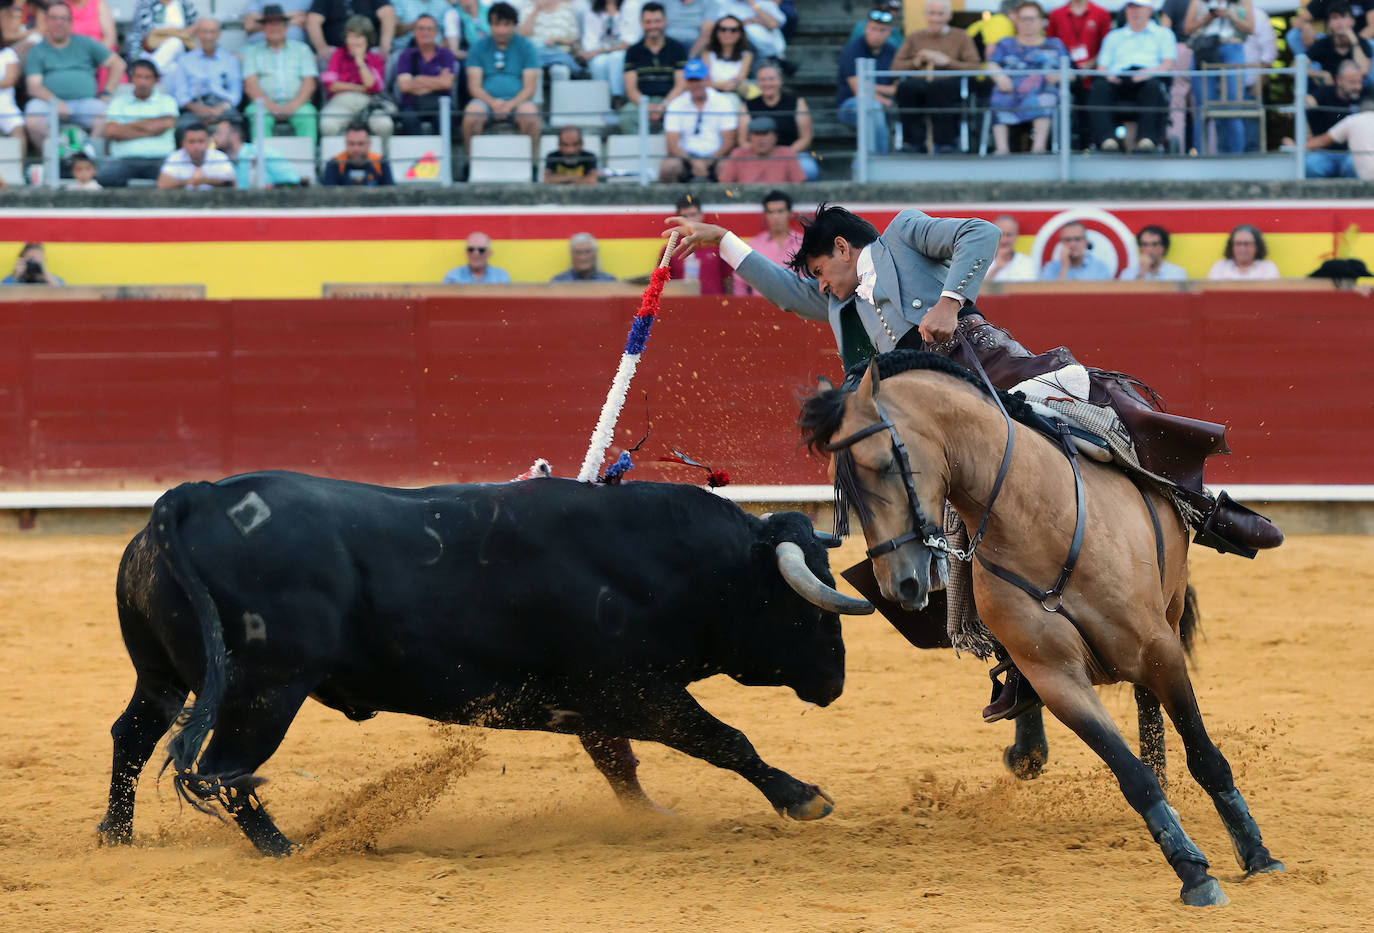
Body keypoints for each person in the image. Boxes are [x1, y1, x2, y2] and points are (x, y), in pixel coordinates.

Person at [664, 202, 1284, 721]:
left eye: (822, 269)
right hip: (937, 424)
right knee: (954, 540)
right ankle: (1016, 659)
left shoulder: (905, 232)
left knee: (1093, 407)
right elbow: (786, 294)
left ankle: (1202, 510)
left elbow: (979, 233)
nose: (820, 285)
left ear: (846, 248)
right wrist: (722, 242)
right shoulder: (838, 303)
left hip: (987, 370)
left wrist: (950, 301)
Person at [22, 1, 125, 154]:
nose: (59, 23)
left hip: (85, 103)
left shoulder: (86, 43)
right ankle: (55, 158)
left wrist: (107, 93)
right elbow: (34, 86)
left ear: (71, 22)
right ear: (46, 21)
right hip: (48, 103)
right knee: (32, 118)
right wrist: (54, 102)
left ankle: (89, 158)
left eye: (63, 18)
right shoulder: (37, 51)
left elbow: (118, 64)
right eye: (54, 18)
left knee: (107, 117)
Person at [891, 0, 981, 154]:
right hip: (919, 83)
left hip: (948, 84)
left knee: (939, 89)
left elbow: (974, 66)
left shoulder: (961, 37)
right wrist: (917, 61)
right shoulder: (914, 37)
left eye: (940, 14)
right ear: (925, 15)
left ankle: (947, 143)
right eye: (932, 13)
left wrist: (947, 62)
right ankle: (912, 143)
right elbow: (895, 67)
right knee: (906, 89)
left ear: (949, 15)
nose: (936, 18)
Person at [1088, 0, 1175, 153]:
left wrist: (1148, 73)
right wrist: (1109, 77)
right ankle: (1107, 140)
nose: (1134, 11)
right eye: (1131, 7)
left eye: (1139, 7)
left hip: (1148, 79)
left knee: (1154, 87)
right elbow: (1102, 67)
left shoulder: (1163, 34)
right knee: (1099, 88)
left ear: (1149, 10)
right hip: (1118, 80)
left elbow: (1168, 64)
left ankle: (1146, 140)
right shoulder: (1113, 36)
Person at [986, 1, 1068, 154]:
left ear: (1042, 21)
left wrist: (1059, 76)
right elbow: (991, 64)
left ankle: (1038, 148)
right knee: (998, 95)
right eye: (1023, 19)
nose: (1027, 23)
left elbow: (1070, 72)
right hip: (1010, 88)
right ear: (1016, 21)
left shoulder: (1055, 45)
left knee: (1045, 97)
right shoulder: (1005, 44)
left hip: (1042, 88)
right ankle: (1002, 149)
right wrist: (1000, 77)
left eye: (1032, 19)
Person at [462, 2, 541, 154]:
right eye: (496, 25)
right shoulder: (478, 47)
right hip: (485, 101)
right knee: (472, 114)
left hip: (518, 101)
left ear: (514, 25)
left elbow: (530, 87)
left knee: (530, 115)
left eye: (506, 25)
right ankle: (471, 164)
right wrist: (493, 103)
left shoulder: (527, 47)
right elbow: (474, 86)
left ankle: (531, 164)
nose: (501, 30)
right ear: (490, 25)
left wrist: (509, 105)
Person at [1183, 0, 1256, 155]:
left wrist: (1230, 15)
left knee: (1234, 106)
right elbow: (1187, 29)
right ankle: (1201, 156)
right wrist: (1207, 18)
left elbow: (1250, 28)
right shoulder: (1198, 2)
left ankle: (1237, 157)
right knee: (1203, 109)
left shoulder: (1243, 2)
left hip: (1232, 48)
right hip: (1206, 50)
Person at [97, 58, 179, 187]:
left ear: (156, 80)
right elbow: (111, 131)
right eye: (139, 77)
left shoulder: (167, 101)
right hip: (124, 159)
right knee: (105, 177)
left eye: (147, 77)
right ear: (132, 79)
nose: (142, 82)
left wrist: (126, 127)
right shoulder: (118, 102)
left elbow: (167, 124)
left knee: (176, 178)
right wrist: (152, 129)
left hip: (160, 159)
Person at [243, 5, 320, 139]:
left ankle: (308, 158)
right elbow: (251, 85)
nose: (274, 28)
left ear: (286, 27)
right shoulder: (252, 52)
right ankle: (262, 159)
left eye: (278, 23)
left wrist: (293, 106)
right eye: (270, 24)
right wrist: (271, 106)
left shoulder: (302, 49)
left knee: (307, 114)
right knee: (258, 115)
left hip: (297, 104)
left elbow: (309, 83)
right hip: (264, 105)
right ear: (263, 28)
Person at [1045, 0, 1112, 148]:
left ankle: (1091, 146)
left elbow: (1108, 46)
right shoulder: (1056, 14)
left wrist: (1090, 65)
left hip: (1091, 76)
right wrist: (1067, 69)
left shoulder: (1101, 13)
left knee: (1090, 114)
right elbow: (1050, 46)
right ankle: (1058, 146)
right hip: (1063, 76)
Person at [659, 57, 737, 181]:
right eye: (691, 80)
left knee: (727, 166)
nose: (695, 84)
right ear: (686, 82)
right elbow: (671, 145)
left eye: (699, 80)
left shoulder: (723, 102)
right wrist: (693, 161)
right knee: (669, 167)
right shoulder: (676, 104)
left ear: (707, 79)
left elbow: (729, 141)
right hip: (685, 158)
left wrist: (709, 161)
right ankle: (670, 200)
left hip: (716, 157)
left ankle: (729, 200)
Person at [741, 58, 817, 180]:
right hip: (757, 154)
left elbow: (806, 138)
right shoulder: (748, 105)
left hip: (792, 153)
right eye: (762, 80)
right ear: (757, 83)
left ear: (780, 81)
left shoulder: (797, 102)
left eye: (771, 79)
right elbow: (743, 142)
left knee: (809, 169)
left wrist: (782, 156)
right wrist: (763, 155)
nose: (767, 84)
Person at [320, 14, 394, 138]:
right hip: (341, 102)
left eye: (358, 37)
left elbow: (373, 87)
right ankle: (335, 157)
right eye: (351, 36)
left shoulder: (375, 59)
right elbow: (331, 86)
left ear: (367, 39)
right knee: (327, 125)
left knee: (385, 125)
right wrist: (361, 88)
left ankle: (383, 157)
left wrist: (360, 60)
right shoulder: (338, 54)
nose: (354, 41)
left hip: (368, 104)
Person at [836, 8, 898, 155]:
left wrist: (872, 87)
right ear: (866, 29)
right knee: (873, 107)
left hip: (884, 103)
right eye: (873, 29)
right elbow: (859, 90)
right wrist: (885, 98)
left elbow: (897, 87)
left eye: (882, 30)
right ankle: (878, 160)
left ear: (889, 33)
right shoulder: (852, 50)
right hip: (850, 105)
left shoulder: (892, 51)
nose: (877, 34)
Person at [620, 2, 687, 135]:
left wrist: (664, 105)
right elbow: (631, 88)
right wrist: (647, 106)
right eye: (648, 22)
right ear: (641, 23)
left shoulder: (677, 48)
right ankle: (638, 153)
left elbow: (681, 85)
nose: (653, 26)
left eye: (657, 21)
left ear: (665, 21)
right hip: (642, 101)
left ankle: (668, 152)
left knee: (682, 115)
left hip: (671, 100)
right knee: (626, 118)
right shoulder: (633, 51)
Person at [1294, 59, 1365, 176]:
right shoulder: (1325, 92)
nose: (1357, 87)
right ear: (1339, 80)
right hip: (1324, 153)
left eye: (1359, 82)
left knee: (1353, 165)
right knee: (1311, 165)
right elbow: (1308, 101)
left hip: (1353, 153)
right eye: (1352, 82)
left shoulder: (1365, 94)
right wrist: (1304, 102)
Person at [171, 18, 243, 132]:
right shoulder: (185, 60)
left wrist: (221, 108)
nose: (208, 36)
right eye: (204, 31)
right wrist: (196, 108)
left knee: (238, 125)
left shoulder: (230, 60)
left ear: (219, 34)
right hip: (195, 108)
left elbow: (235, 93)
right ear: (197, 34)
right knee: (181, 128)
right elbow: (181, 93)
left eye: (212, 32)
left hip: (223, 107)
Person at [732, 189, 801, 296]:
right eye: (771, 212)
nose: (775, 217)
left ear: (789, 213)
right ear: (765, 215)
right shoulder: (752, 246)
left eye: (780, 211)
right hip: (760, 308)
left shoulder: (804, 244)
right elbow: (739, 284)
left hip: (798, 309)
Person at [396, 13, 455, 134]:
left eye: (429, 29)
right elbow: (405, 86)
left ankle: (443, 153)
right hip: (412, 104)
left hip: (440, 103)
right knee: (408, 120)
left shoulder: (446, 54)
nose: (425, 32)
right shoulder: (406, 55)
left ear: (436, 32)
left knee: (444, 119)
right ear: (414, 32)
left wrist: (416, 79)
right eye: (421, 28)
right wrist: (437, 81)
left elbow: (447, 83)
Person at [211, 112, 302, 188]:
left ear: (235, 136)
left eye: (218, 133)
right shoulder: (220, 160)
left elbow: (292, 181)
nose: (214, 137)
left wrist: (270, 188)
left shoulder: (262, 152)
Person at [668, 193, 731, 294]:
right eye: (684, 217)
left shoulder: (716, 244)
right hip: (681, 306)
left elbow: (728, 279)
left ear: (702, 215)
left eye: (693, 215)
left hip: (714, 304)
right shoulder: (670, 248)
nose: (689, 220)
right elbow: (663, 282)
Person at [580, 0, 642, 100]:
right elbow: (590, 44)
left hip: (623, 52)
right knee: (598, 63)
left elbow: (629, 42)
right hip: (599, 53)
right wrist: (598, 51)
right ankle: (602, 100)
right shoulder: (592, 11)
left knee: (617, 57)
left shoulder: (631, 5)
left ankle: (618, 97)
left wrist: (600, 51)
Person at [715, 114, 804, 183]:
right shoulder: (738, 154)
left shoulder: (787, 154)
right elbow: (725, 185)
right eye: (757, 134)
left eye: (765, 134)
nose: (761, 139)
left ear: (775, 137)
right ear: (750, 137)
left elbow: (799, 185)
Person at [1300, 98, 1374, 177]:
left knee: (1312, 164)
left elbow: (1323, 141)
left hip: (1359, 170)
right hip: (1357, 168)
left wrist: (1297, 146)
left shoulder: (1353, 120)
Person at [1305, 3, 1372, 85]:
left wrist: (1354, 41)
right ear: (1329, 23)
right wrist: (1321, 74)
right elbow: (1295, 68)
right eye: (1335, 18)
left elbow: (1363, 71)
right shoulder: (1322, 43)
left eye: (1343, 17)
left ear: (1353, 21)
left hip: (1358, 90)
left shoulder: (1361, 42)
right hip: (1333, 92)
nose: (1339, 22)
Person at [125, 0, 196, 76]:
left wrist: (165, 33)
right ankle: (150, 73)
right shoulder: (146, 3)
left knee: (175, 43)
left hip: (179, 50)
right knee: (173, 67)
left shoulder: (184, 3)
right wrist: (176, 32)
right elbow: (144, 31)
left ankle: (148, 72)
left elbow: (193, 27)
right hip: (151, 50)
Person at [308, 0, 395, 62]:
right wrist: (322, 47)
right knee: (323, 58)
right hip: (336, 51)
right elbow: (313, 20)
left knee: (387, 57)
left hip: (370, 50)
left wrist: (385, 46)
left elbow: (388, 15)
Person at [156, 120, 236, 188]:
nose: (196, 146)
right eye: (191, 141)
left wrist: (205, 180)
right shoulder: (175, 157)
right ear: (183, 143)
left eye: (201, 141)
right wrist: (189, 181)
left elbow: (231, 182)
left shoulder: (220, 157)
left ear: (208, 142)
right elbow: (162, 183)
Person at [517, 0, 584, 77]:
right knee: (534, 70)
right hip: (534, 53)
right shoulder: (527, 7)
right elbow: (521, 35)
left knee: (560, 71)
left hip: (559, 53)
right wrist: (536, 9)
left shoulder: (566, 8)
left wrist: (556, 40)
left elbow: (574, 38)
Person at [320, 120, 395, 184]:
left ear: (369, 143)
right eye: (351, 144)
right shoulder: (334, 164)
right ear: (346, 143)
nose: (356, 149)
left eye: (361, 144)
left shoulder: (380, 162)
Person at [702, 13, 754, 101]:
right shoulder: (707, 53)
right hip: (710, 96)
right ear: (716, 32)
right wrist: (721, 86)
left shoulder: (747, 55)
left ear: (740, 33)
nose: (727, 33)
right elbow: (704, 80)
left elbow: (739, 79)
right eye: (723, 29)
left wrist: (717, 84)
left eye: (733, 30)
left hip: (735, 96)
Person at [1040, 221, 1114, 280]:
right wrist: (1065, 267)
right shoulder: (1051, 269)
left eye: (1077, 239)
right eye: (1068, 240)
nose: (1073, 244)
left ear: (1086, 242)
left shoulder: (1100, 268)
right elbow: (1051, 297)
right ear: (1062, 243)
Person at [1207, 223, 1280, 279]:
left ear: (1257, 246)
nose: (1242, 248)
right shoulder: (1219, 267)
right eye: (1238, 244)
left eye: (1247, 244)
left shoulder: (1268, 267)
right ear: (1231, 246)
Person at [1120, 224, 1188, 280]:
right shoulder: (1128, 274)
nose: (1149, 249)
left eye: (1155, 244)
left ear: (1164, 247)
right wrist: (1141, 274)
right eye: (1145, 244)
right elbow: (1128, 296)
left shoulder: (1176, 272)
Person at [443, 231, 512, 282]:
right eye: (471, 249)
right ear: (466, 253)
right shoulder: (453, 277)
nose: (476, 254)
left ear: (489, 253)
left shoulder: (501, 277)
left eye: (481, 250)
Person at [986, 214, 1037, 281]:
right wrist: (996, 269)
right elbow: (975, 290)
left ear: (1016, 236)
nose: (1004, 240)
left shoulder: (1027, 263)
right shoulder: (980, 262)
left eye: (1008, 235)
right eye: (1000, 235)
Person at [552, 233, 618, 281]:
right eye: (578, 252)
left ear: (595, 254)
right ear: (571, 255)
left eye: (587, 252)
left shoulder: (609, 281)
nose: (582, 257)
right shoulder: (559, 282)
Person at [245, 0, 312, 45]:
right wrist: (287, 18)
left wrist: (267, 19)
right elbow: (249, 25)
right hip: (258, 49)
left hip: (297, 51)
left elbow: (309, 21)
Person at [0, 38, 24, 154]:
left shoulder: (8, 53)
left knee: (18, 127)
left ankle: (19, 169)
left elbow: (9, 80)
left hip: (5, 104)